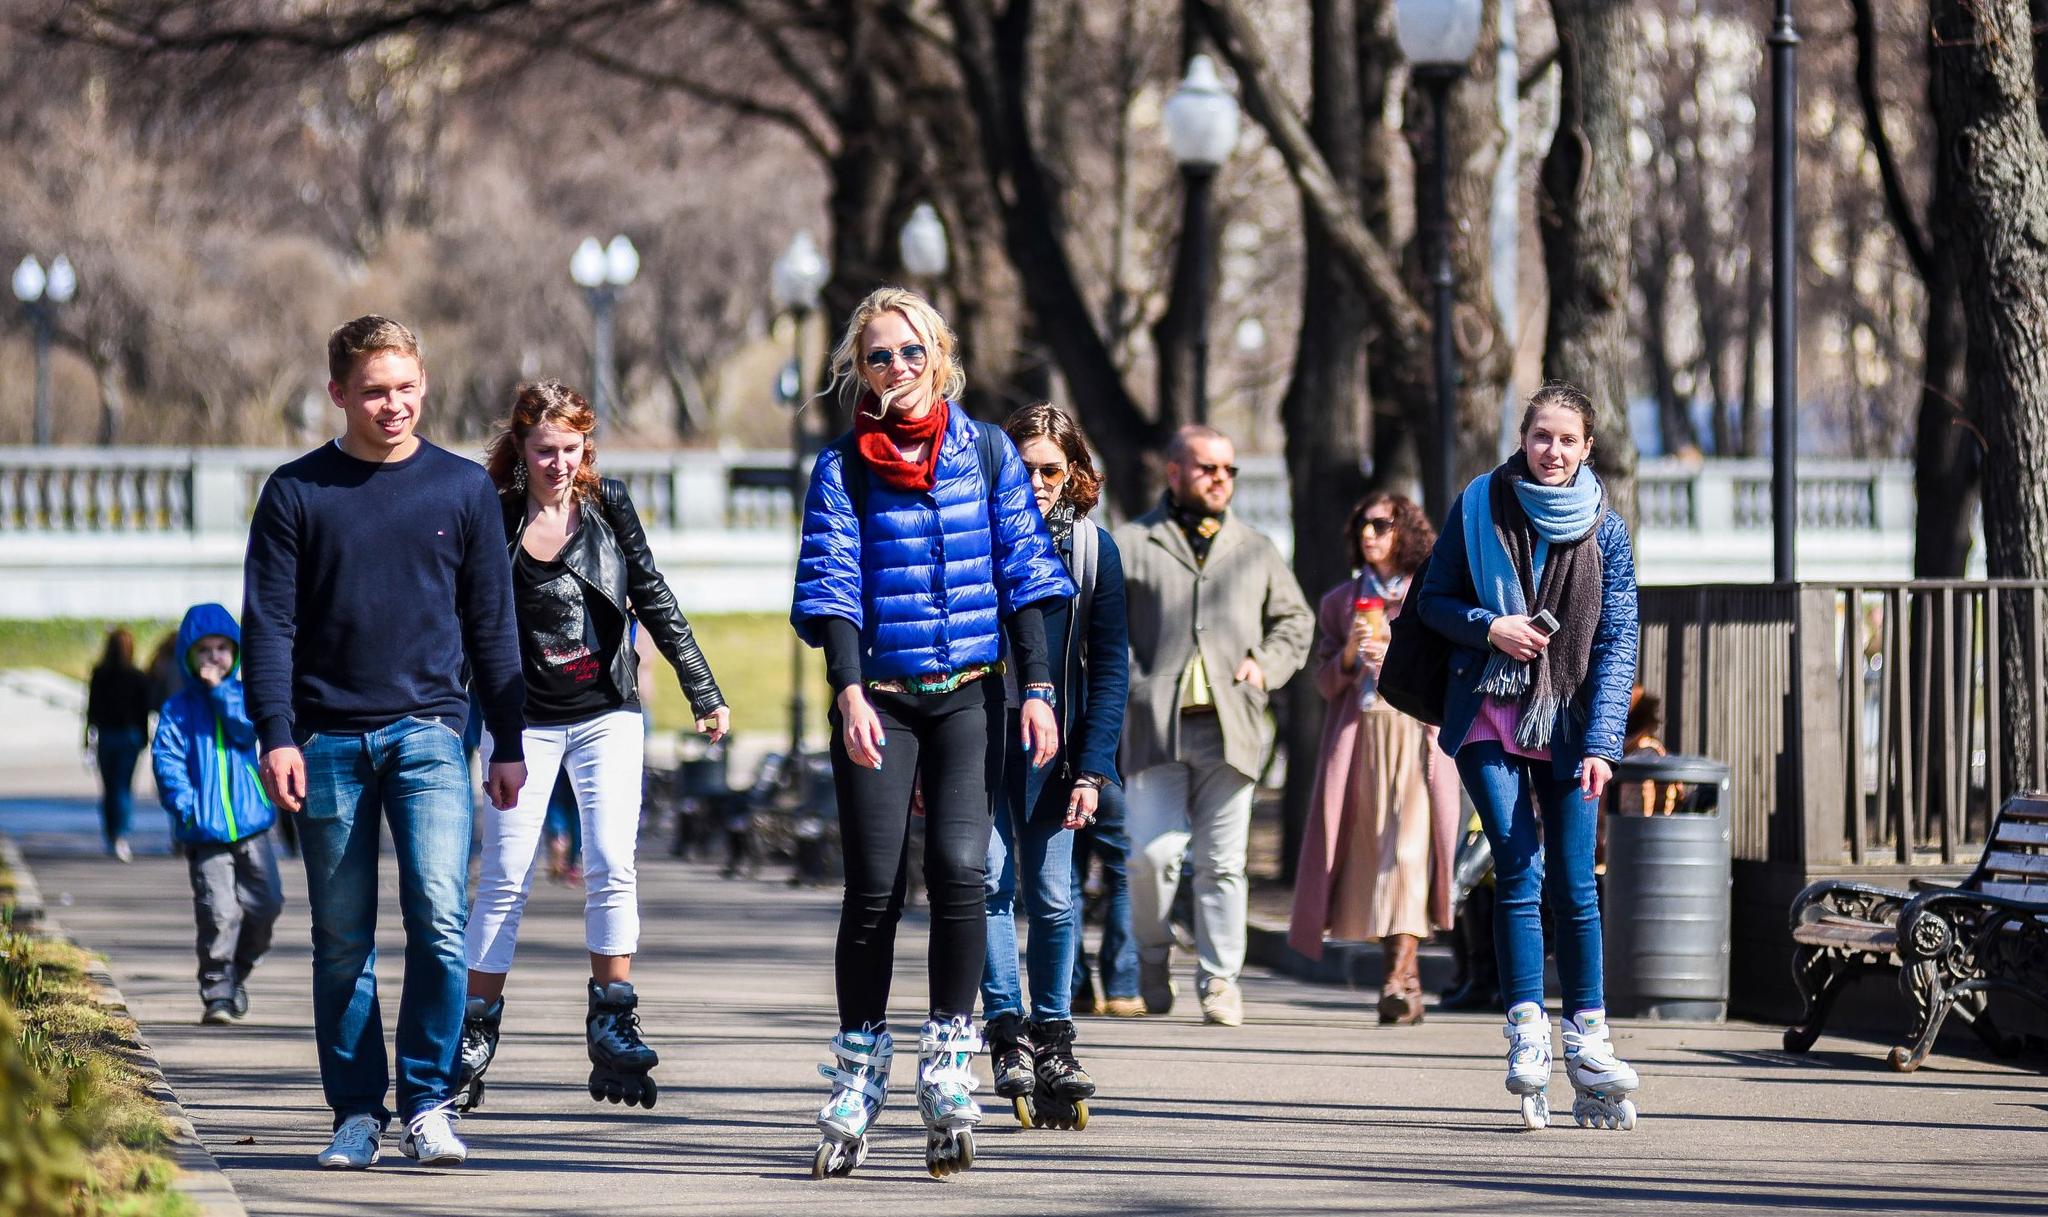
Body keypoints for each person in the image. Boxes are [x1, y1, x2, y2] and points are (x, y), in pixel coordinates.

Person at [792, 287, 1072, 1179]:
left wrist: (1038, 690)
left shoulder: (987, 452)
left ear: (940, 355)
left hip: (970, 695)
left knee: (961, 867)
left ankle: (949, 1055)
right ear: (860, 370)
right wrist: (845, 690)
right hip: (880, 694)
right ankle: (859, 1064)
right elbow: (831, 580)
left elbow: (1027, 574)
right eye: (880, 357)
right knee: (874, 884)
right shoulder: (841, 468)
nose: (899, 370)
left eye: (913, 353)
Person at [242, 315, 528, 1170]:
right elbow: (270, 628)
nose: (393, 404)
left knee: (441, 921)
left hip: (430, 736)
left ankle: (430, 1101)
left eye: (406, 387)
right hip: (327, 740)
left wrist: (506, 740)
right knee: (342, 939)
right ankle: (357, 1111)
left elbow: (492, 622)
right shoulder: (296, 493)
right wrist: (276, 734)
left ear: (424, 385)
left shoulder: (463, 489)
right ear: (338, 393)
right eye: (374, 390)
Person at [456, 379, 730, 1115]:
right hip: (523, 723)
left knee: (612, 859)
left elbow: (654, 594)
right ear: (520, 445)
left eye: (569, 450)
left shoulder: (608, 508)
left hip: (608, 711)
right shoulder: (495, 513)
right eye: (542, 450)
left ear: (586, 448)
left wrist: (703, 687)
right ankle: (473, 1029)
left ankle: (613, 1016)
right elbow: (469, 621)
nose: (555, 463)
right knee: (505, 874)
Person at [1415, 381, 1643, 1131]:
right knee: (1519, 865)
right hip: (1488, 707)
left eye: (1567, 440)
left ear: (1588, 448)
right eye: (1541, 436)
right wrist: (1491, 626)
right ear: (1524, 437)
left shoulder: (1605, 530)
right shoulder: (1479, 503)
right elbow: (1432, 599)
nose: (1552, 450)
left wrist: (1605, 744)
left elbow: (1617, 642)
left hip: (1573, 724)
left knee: (1576, 883)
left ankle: (1589, 1032)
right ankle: (1527, 1029)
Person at [1116, 424, 1313, 1027]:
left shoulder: (1254, 548)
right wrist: (1131, 683)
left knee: (1223, 863)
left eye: (1229, 470)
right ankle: (1152, 955)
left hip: (1233, 728)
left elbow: (1295, 622)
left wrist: (1266, 666)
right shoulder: (1130, 543)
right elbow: (1104, 630)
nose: (1221, 479)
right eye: (1207, 469)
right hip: (1155, 729)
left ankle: (1220, 981)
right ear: (1175, 473)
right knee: (1152, 857)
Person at [979, 402, 1129, 1131]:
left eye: (1050, 469)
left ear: (1074, 474)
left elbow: (1109, 671)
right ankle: (1005, 1032)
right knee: (987, 879)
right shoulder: (972, 535)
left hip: (1055, 750)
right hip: (976, 737)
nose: (1037, 482)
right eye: (1024, 467)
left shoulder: (1094, 552)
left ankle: (1055, 1035)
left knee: (1054, 891)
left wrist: (1092, 769)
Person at [1287, 494, 1460, 1025]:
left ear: (1404, 531)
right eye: (1362, 524)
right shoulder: (1342, 600)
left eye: (1381, 525)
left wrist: (1397, 657)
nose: (1369, 534)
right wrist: (1347, 655)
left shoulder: (1429, 593)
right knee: (1368, 857)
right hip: (1360, 737)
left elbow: (1451, 665)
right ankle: (1404, 982)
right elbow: (1322, 680)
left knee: (1408, 853)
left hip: (1415, 734)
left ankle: (1395, 978)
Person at [150, 603, 285, 1025]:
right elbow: (166, 759)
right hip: (203, 831)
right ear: (188, 655)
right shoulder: (178, 709)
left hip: (251, 824)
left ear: (235, 653)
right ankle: (217, 993)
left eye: (222, 648)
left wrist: (221, 692)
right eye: (204, 649)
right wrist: (185, 804)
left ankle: (237, 972)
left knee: (267, 904)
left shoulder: (244, 697)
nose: (213, 657)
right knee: (219, 910)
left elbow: (249, 733)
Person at [85, 626, 154, 861]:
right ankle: (121, 835)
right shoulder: (137, 676)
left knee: (109, 788)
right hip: (129, 736)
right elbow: (143, 710)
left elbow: (91, 710)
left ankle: (111, 834)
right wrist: (144, 738)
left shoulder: (100, 674)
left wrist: (86, 737)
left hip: (107, 735)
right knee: (123, 788)